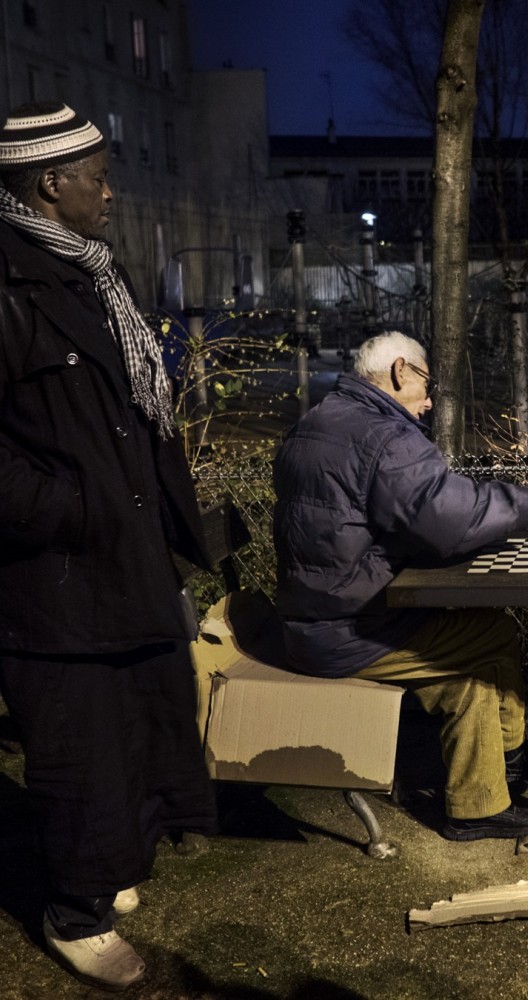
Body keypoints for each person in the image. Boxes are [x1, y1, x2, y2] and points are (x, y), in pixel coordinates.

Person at [0, 102, 215, 989]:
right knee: (81, 742)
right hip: (55, 573)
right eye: (97, 175)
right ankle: (73, 910)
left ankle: (114, 862)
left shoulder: (88, 273)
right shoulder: (11, 285)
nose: (110, 190)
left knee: (139, 725)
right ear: (50, 186)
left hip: (123, 555)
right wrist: (74, 506)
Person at [273, 331, 528, 841]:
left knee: (470, 670)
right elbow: (447, 517)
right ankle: (512, 764)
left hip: (312, 621)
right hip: (351, 630)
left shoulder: (316, 422)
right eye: (427, 385)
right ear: (401, 371)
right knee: (491, 635)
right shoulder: (383, 436)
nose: (427, 402)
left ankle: (485, 798)